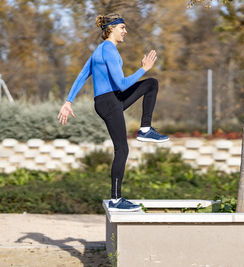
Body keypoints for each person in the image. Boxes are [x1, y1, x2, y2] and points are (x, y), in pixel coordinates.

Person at [57, 13, 169, 212]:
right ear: (111, 29)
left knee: (151, 84)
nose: (125, 31)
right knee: (122, 149)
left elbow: (83, 75)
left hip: (110, 100)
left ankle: (145, 128)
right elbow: (121, 84)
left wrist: (68, 101)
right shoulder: (109, 50)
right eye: (122, 28)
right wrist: (143, 69)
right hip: (110, 101)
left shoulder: (99, 50)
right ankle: (116, 199)